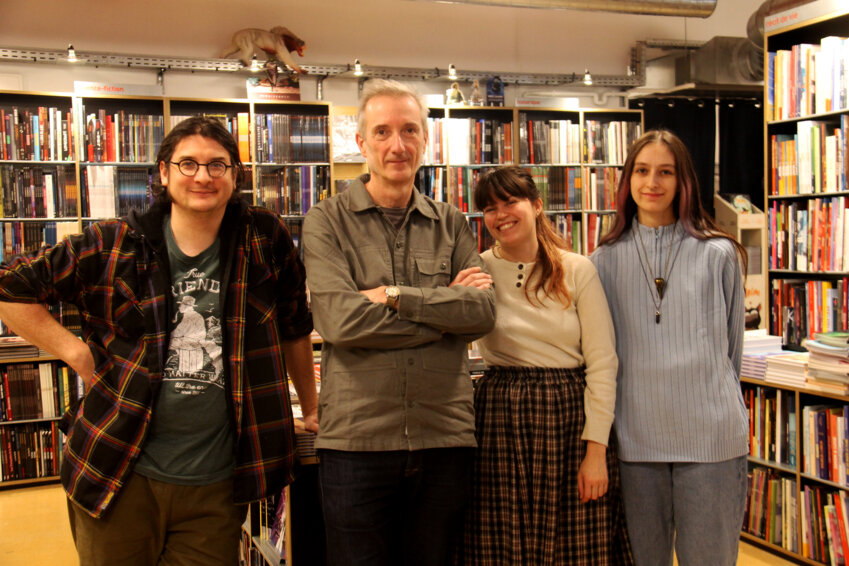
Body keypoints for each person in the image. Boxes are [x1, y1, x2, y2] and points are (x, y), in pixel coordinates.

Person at [0, 115, 319, 566]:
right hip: (118, 472)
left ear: (235, 176)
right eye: (188, 163)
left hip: (218, 481)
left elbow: (294, 325)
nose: (203, 176)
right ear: (164, 173)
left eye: (217, 165)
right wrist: (72, 350)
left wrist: (311, 409)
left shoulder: (265, 239)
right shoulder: (114, 243)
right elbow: (10, 287)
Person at [302, 78, 496, 566]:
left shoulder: (451, 222)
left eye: (410, 131)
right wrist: (443, 310)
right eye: (383, 132)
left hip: (443, 437)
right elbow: (340, 322)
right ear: (362, 143)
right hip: (357, 441)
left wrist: (392, 296)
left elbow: (481, 313)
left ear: (425, 141)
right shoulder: (326, 221)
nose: (397, 145)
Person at [458, 166, 633, 566]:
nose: (500, 214)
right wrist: (455, 297)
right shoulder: (477, 269)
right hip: (498, 417)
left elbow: (603, 364)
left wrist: (596, 452)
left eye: (510, 202)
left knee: (572, 544)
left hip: (567, 417)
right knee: (501, 539)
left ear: (536, 205)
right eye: (489, 208)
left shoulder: (577, 269)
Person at [590, 129, 749, 566]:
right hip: (637, 441)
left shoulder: (720, 254)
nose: (652, 182)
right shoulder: (601, 261)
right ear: (627, 180)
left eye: (666, 172)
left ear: (684, 182)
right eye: (641, 171)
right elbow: (603, 355)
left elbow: (730, 351)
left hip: (711, 440)